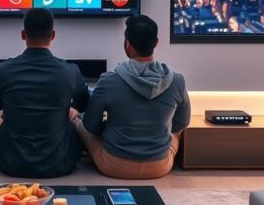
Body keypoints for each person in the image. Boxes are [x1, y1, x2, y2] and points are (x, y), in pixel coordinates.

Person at [77, 15, 190, 179]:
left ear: (127, 44)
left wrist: (109, 129)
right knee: (175, 134)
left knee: (79, 123)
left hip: (114, 166)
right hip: (159, 166)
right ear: (156, 42)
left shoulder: (109, 80)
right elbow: (182, 123)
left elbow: (90, 124)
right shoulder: (177, 80)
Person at [0, 8, 89, 178]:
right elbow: (84, 101)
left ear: (23, 34)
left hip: (11, 164)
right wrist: (70, 109)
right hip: (58, 164)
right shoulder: (69, 71)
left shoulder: (3, 70)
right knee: (74, 126)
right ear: (53, 35)